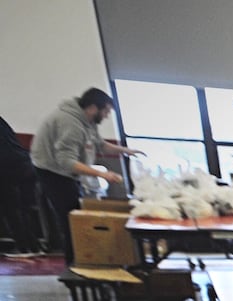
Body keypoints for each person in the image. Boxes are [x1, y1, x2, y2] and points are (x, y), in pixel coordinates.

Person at [30, 87, 143, 262]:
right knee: (72, 221)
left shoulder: (87, 121)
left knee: (77, 216)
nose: (106, 116)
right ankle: (75, 263)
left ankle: (82, 259)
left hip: (65, 174)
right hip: (53, 174)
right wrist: (101, 174)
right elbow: (66, 161)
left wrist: (125, 150)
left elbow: (98, 144)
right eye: (105, 111)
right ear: (92, 107)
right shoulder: (70, 123)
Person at [0, 114, 43, 256]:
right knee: (24, 209)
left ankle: (23, 248)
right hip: (25, 164)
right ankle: (33, 247)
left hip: (7, 168)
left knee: (11, 209)